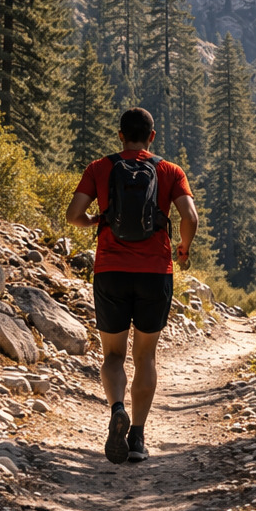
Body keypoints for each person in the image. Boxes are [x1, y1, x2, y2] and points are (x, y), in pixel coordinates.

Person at [66, 107, 197, 463]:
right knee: (145, 356)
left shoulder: (99, 168)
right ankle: (137, 438)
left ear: (120, 135)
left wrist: (95, 219)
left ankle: (117, 409)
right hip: (156, 272)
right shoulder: (170, 171)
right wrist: (182, 250)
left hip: (111, 271)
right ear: (152, 136)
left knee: (112, 355)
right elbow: (190, 217)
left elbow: (73, 215)